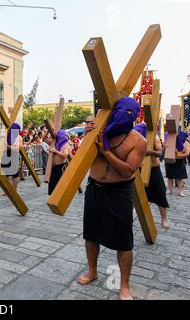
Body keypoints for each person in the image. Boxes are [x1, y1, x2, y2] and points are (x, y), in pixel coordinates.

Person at [77, 97, 146, 300]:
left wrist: (106, 151)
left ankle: (124, 285)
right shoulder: (99, 131)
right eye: (120, 111)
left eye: (128, 114)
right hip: (95, 188)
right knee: (90, 234)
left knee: (124, 241)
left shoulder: (138, 141)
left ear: (134, 117)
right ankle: (92, 271)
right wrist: (87, 136)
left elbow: (127, 171)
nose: (122, 117)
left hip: (119, 191)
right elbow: (82, 155)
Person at [134, 123, 170, 229]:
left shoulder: (154, 137)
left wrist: (148, 151)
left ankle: (164, 219)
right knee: (134, 196)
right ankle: (128, 219)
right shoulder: (134, 136)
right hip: (138, 170)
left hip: (154, 170)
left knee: (160, 195)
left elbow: (159, 153)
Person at [0, 123, 23, 196]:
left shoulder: (19, 137)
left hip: (14, 155)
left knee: (14, 174)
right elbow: (1, 139)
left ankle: (14, 190)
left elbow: (18, 148)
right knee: (4, 173)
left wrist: (9, 146)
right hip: (6, 154)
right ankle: (7, 190)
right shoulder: (6, 134)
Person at [165, 131, 190, 197]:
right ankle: (169, 190)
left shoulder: (186, 143)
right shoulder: (171, 141)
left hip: (179, 161)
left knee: (179, 177)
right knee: (169, 176)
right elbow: (164, 148)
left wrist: (177, 154)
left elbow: (187, 153)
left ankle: (181, 191)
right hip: (170, 160)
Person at [47, 129, 70, 195]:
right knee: (52, 186)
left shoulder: (66, 144)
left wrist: (55, 151)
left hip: (60, 167)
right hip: (53, 167)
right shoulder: (54, 142)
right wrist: (48, 130)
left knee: (59, 187)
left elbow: (65, 155)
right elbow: (44, 139)